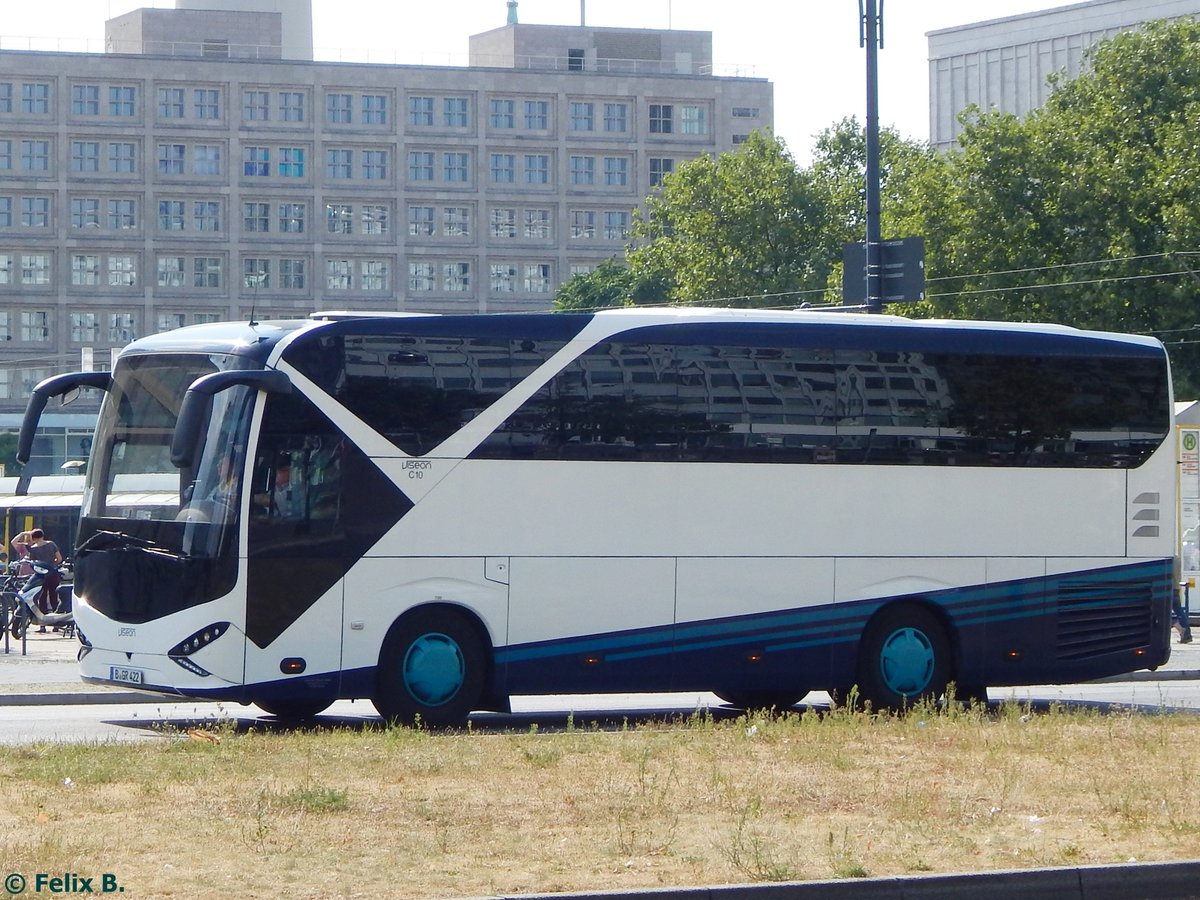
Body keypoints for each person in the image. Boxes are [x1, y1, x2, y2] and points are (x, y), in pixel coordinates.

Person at [11, 528, 63, 632]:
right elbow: (59, 559)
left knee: (42, 599)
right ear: (43, 535)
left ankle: (42, 625)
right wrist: (52, 565)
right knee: (54, 597)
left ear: (34, 538)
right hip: (53, 574)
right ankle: (56, 624)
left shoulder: (33, 548)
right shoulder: (52, 544)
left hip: (41, 577)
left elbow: (32, 563)